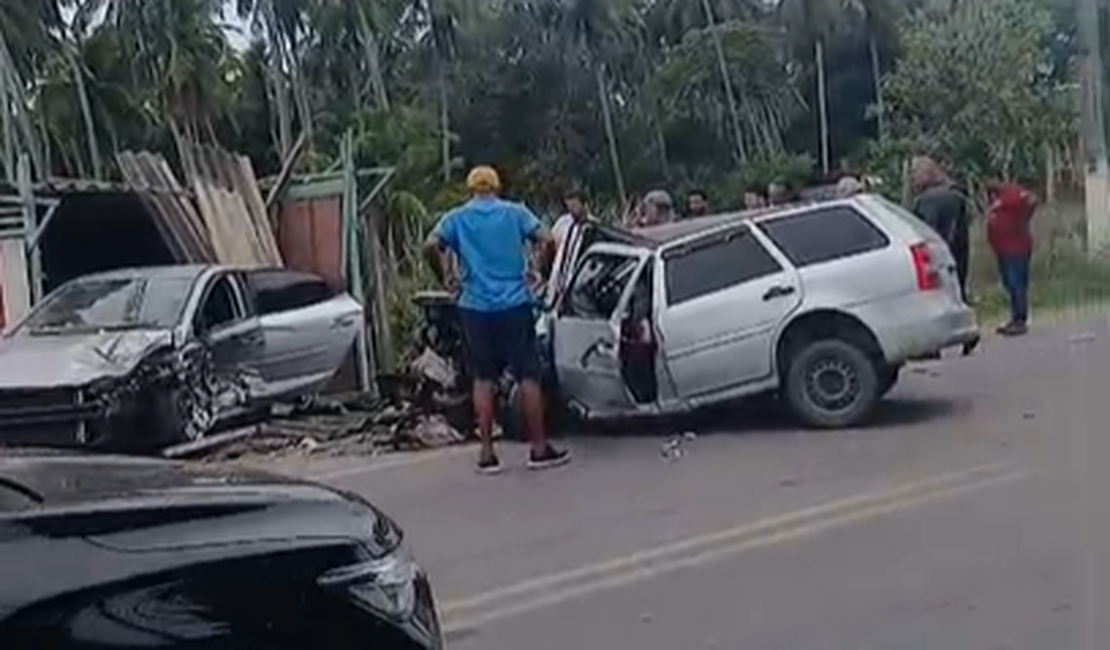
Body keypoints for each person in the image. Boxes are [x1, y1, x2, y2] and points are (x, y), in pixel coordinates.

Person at [424, 165, 571, 474]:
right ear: (496, 187)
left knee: (483, 378)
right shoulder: (515, 213)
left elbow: (429, 245)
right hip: (515, 304)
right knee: (528, 376)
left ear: (470, 189)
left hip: (474, 307)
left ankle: (487, 453)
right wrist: (539, 271)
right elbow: (547, 239)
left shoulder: (456, 218)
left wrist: (445, 276)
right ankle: (538, 448)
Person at [910, 156, 971, 302]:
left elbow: (926, 228)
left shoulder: (926, 201)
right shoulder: (956, 194)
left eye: (914, 173)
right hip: (959, 249)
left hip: (937, 252)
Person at [986, 180, 1037, 336]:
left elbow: (1031, 200)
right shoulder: (997, 201)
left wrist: (1023, 217)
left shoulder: (1010, 195)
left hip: (1016, 249)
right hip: (1003, 249)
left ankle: (1019, 319)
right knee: (1009, 284)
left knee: (1016, 284)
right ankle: (1015, 317)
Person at [547, 189, 596, 306]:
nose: (571, 210)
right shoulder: (563, 223)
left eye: (574, 206)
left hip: (576, 281)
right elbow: (551, 243)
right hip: (558, 278)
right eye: (568, 206)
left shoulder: (593, 228)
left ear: (585, 205)